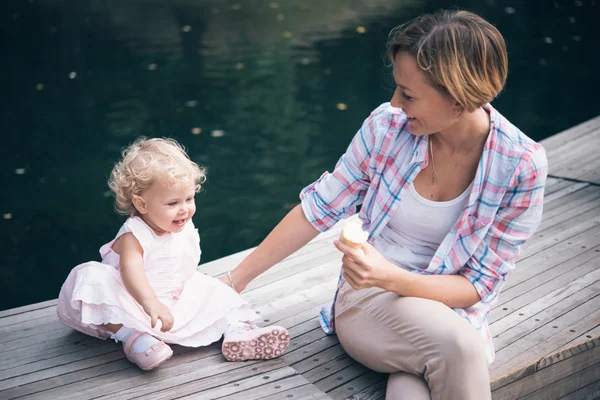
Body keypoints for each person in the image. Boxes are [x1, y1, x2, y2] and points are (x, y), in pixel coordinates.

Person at [218, 10, 548, 399]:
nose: (395, 102)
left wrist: (391, 277)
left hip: (451, 314)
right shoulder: (386, 128)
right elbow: (319, 208)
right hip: (368, 300)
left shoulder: (521, 166)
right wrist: (232, 280)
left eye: (408, 94)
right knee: (458, 347)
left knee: (413, 389)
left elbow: (479, 285)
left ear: (458, 99)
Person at [57, 137, 290, 371]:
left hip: (175, 300)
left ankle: (237, 333)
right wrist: (150, 302)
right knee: (90, 276)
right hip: (135, 303)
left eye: (189, 198)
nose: (185, 209)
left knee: (214, 289)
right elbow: (131, 271)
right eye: (173, 203)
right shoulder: (134, 235)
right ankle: (134, 338)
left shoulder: (182, 226)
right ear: (142, 204)